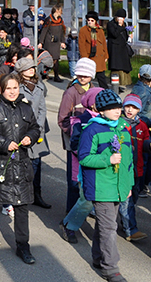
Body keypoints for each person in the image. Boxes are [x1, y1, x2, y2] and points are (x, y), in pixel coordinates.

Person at [0, 72, 40, 265]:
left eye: (15, 88)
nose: (12, 92)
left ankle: (23, 245)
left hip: (20, 163)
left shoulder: (26, 108)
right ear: (1, 90)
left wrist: (31, 137)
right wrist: (3, 143)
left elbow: (35, 127)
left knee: (21, 205)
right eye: (8, 88)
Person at [78, 89, 134, 282]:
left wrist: (129, 185)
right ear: (101, 110)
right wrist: (107, 159)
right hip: (101, 187)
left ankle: (98, 257)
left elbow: (129, 161)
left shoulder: (123, 128)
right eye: (111, 108)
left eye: (118, 106)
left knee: (106, 225)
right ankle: (111, 269)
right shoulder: (92, 130)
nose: (117, 111)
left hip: (119, 187)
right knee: (109, 227)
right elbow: (84, 157)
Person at [58, 57, 95, 214]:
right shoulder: (71, 92)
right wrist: (74, 134)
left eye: (86, 76)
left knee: (89, 178)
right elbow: (62, 119)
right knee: (74, 181)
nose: (82, 78)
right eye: (80, 75)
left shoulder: (94, 91)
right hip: (75, 142)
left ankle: (86, 208)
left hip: (91, 142)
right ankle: (70, 212)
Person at [117, 93, 151, 242]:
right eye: (127, 106)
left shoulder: (142, 126)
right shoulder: (118, 123)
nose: (130, 110)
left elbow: (146, 143)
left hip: (138, 169)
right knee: (127, 200)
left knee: (134, 197)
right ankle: (131, 230)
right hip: (123, 169)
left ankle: (125, 222)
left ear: (139, 109)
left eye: (134, 107)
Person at [15, 56, 50, 209]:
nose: (31, 70)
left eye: (33, 67)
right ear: (21, 71)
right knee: (22, 163)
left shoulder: (39, 86)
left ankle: (36, 194)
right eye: (28, 68)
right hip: (21, 131)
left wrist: (38, 127)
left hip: (37, 130)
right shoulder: (16, 86)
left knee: (36, 163)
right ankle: (21, 194)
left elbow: (42, 109)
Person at [79, 11, 109, 88]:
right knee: (88, 77)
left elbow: (103, 44)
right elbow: (81, 45)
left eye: (92, 20)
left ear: (95, 21)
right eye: (88, 20)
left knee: (101, 77)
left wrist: (106, 55)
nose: (90, 22)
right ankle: (85, 90)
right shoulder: (83, 30)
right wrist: (84, 58)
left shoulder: (100, 30)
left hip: (99, 57)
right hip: (90, 57)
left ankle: (105, 91)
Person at [38, 3, 67, 82]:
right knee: (49, 59)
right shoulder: (49, 20)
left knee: (56, 59)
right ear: (57, 10)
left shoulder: (60, 20)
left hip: (56, 42)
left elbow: (62, 32)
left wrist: (62, 41)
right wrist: (41, 42)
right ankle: (45, 74)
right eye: (60, 10)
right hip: (49, 42)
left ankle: (56, 76)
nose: (61, 12)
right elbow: (44, 31)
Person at [106, 9, 132, 86]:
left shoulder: (125, 24)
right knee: (116, 67)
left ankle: (123, 83)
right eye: (119, 17)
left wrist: (129, 36)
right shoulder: (110, 24)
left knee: (124, 66)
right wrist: (119, 26)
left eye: (123, 18)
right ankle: (115, 84)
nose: (121, 20)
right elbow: (115, 34)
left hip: (122, 49)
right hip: (114, 49)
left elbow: (124, 36)